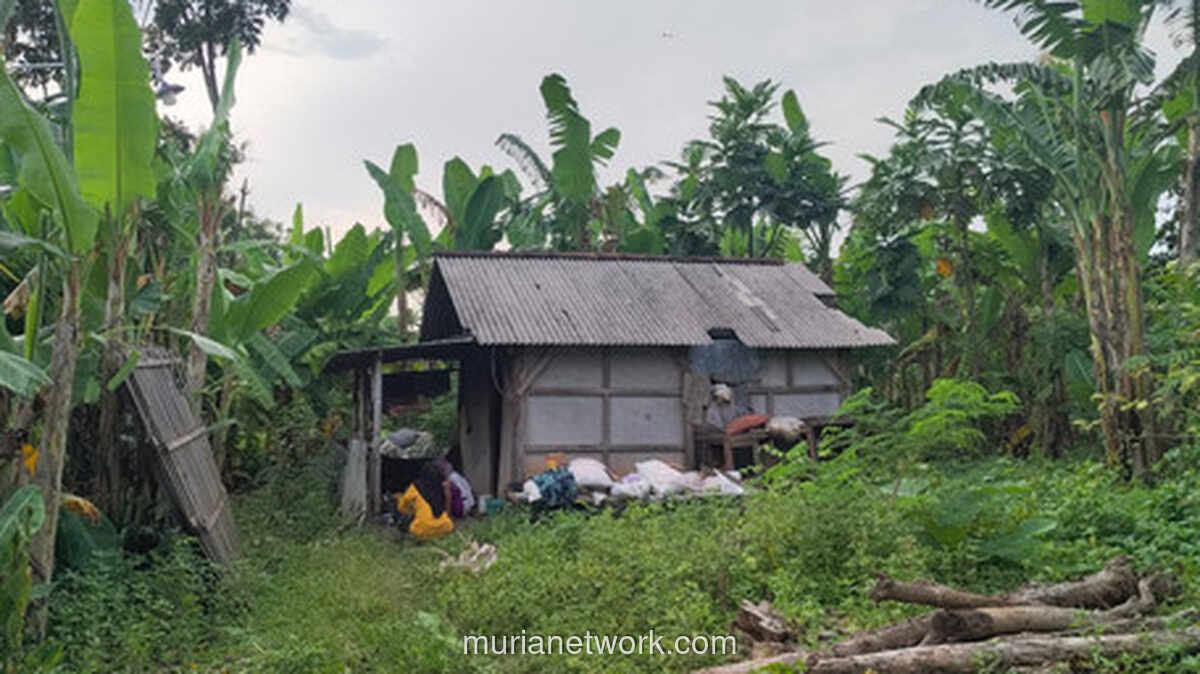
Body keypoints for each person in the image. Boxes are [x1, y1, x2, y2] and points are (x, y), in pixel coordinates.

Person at [395, 462, 454, 539]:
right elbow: (447, 508)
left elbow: (401, 508)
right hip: (445, 527)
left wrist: (413, 510)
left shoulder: (415, 487)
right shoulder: (442, 487)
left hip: (420, 530)